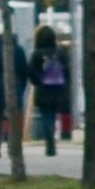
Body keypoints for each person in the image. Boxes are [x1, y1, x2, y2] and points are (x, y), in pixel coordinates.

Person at [28, 24, 72, 154]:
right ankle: (53, 133)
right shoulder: (60, 53)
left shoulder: (36, 54)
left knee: (46, 115)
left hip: (43, 89)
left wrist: (38, 81)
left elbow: (30, 71)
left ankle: (49, 139)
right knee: (53, 114)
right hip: (58, 88)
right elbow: (67, 71)